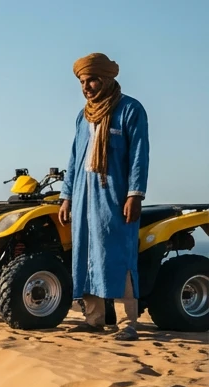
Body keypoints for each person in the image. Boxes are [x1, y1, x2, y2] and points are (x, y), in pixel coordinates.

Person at [59, 53, 149, 341]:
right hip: (84, 195)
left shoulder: (130, 110)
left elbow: (139, 156)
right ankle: (94, 319)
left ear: (108, 78)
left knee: (119, 254)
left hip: (116, 194)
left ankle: (127, 323)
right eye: (83, 81)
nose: (86, 86)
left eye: (92, 79)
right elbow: (74, 158)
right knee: (85, 253)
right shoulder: (83, 115)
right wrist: (67, 196)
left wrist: (135, 194)